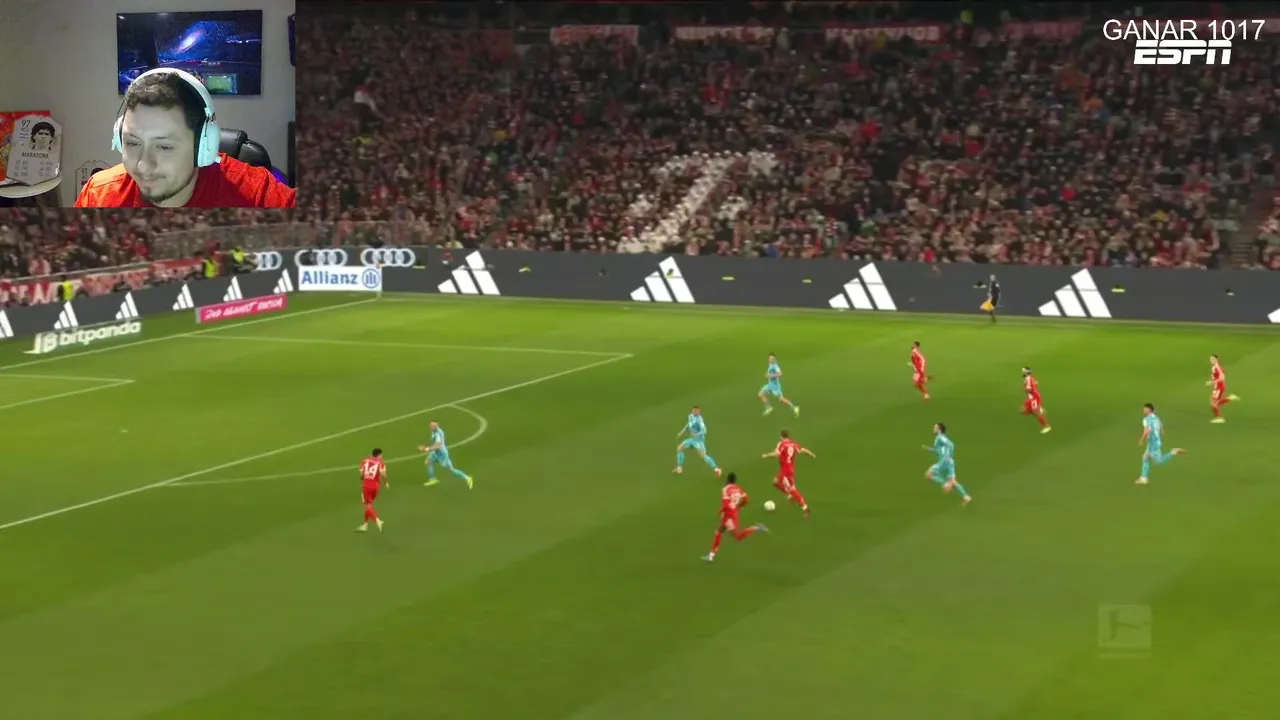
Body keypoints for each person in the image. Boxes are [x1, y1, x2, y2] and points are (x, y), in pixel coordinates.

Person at [75, 68, 295, 209]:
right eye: (132, 143)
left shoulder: (255, 195)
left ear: (203, 147)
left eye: (164, 147)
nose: (143, 165)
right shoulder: (99, 195)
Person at [704, 472, 768, 563]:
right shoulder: (738, 488)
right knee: (719, 531)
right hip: (733, 513)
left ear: (727, 480)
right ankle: (711, 555)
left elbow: (725, 504)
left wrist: (721, 511)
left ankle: (756, 528)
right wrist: (738, 506)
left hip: (729, 515)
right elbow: (746, 499)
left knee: (738, 536)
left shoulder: (726, 489)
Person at [761, 430, 813, 516]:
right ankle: (790, 496)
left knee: (792, 489)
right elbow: (803, 450)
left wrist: (767, 455)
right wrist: (811, 454)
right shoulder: (794, 443)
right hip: (789, 468)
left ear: (781, 436)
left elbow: (777, 453)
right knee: (775, 482)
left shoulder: (781, 444)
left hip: (786, 469)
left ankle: (805, 507)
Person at [1136, 404, 1185, 485]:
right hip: (1156, 441)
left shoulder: (1146, 419)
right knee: (1145, 458)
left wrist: (1142, 440)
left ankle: (1173, 452)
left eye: (1145, 409)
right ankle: (1144, 478)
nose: (1144, 410)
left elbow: (1147, 431)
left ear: (1149, 410)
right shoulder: (1156, 418)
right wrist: (1160, 433)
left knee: (1159, 461)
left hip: (1153, 443)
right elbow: (1161, 429)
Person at [924, 423, 971, 505]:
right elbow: (940, 450)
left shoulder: (940, 437)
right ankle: (966, 497)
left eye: (935, 427)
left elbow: (951, 444)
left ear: (939, 429)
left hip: (944, 461)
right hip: (948, 461)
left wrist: (949, 456)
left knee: (929, 474)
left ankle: (945, 484)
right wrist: (931, 449)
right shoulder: (939, 438)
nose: (933, 429)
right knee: (953, 481)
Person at [420, 420, 474, 488]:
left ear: (437, 425)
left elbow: (438, 446)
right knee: (429, 462)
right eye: (432, 426)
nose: (434, 427)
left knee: (452, 470)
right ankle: (433, 479)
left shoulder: (438, 434)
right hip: (436, 453)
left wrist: (428, 449)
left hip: (442, 455)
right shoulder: (434, 432)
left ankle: (467, 478)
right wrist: (430, 454)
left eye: (435, 425)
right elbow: (435, 445)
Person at [675, 405, 721, 476]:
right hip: (692, 440)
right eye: (694, 410)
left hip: (699, 441)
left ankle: (716, 469)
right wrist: (681, 432)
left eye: (696, 411)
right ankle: (679, 468)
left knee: (703, 455)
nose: (695, 412)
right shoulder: (690, 416)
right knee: (679, 449)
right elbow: (689, 424)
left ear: (699, 412)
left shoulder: (700, 420)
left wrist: (696, 434)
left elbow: (704, 430)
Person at [358, 448, 388, 533]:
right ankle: (365, 525)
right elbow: (383, 474)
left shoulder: (364, 461)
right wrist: (386, 483)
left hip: (367, 486)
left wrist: (363, 477)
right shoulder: (381, 463)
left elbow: (361, 473)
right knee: (369, 506)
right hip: (376, 487)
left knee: (368, 506)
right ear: (378, 455)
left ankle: (377, 520)